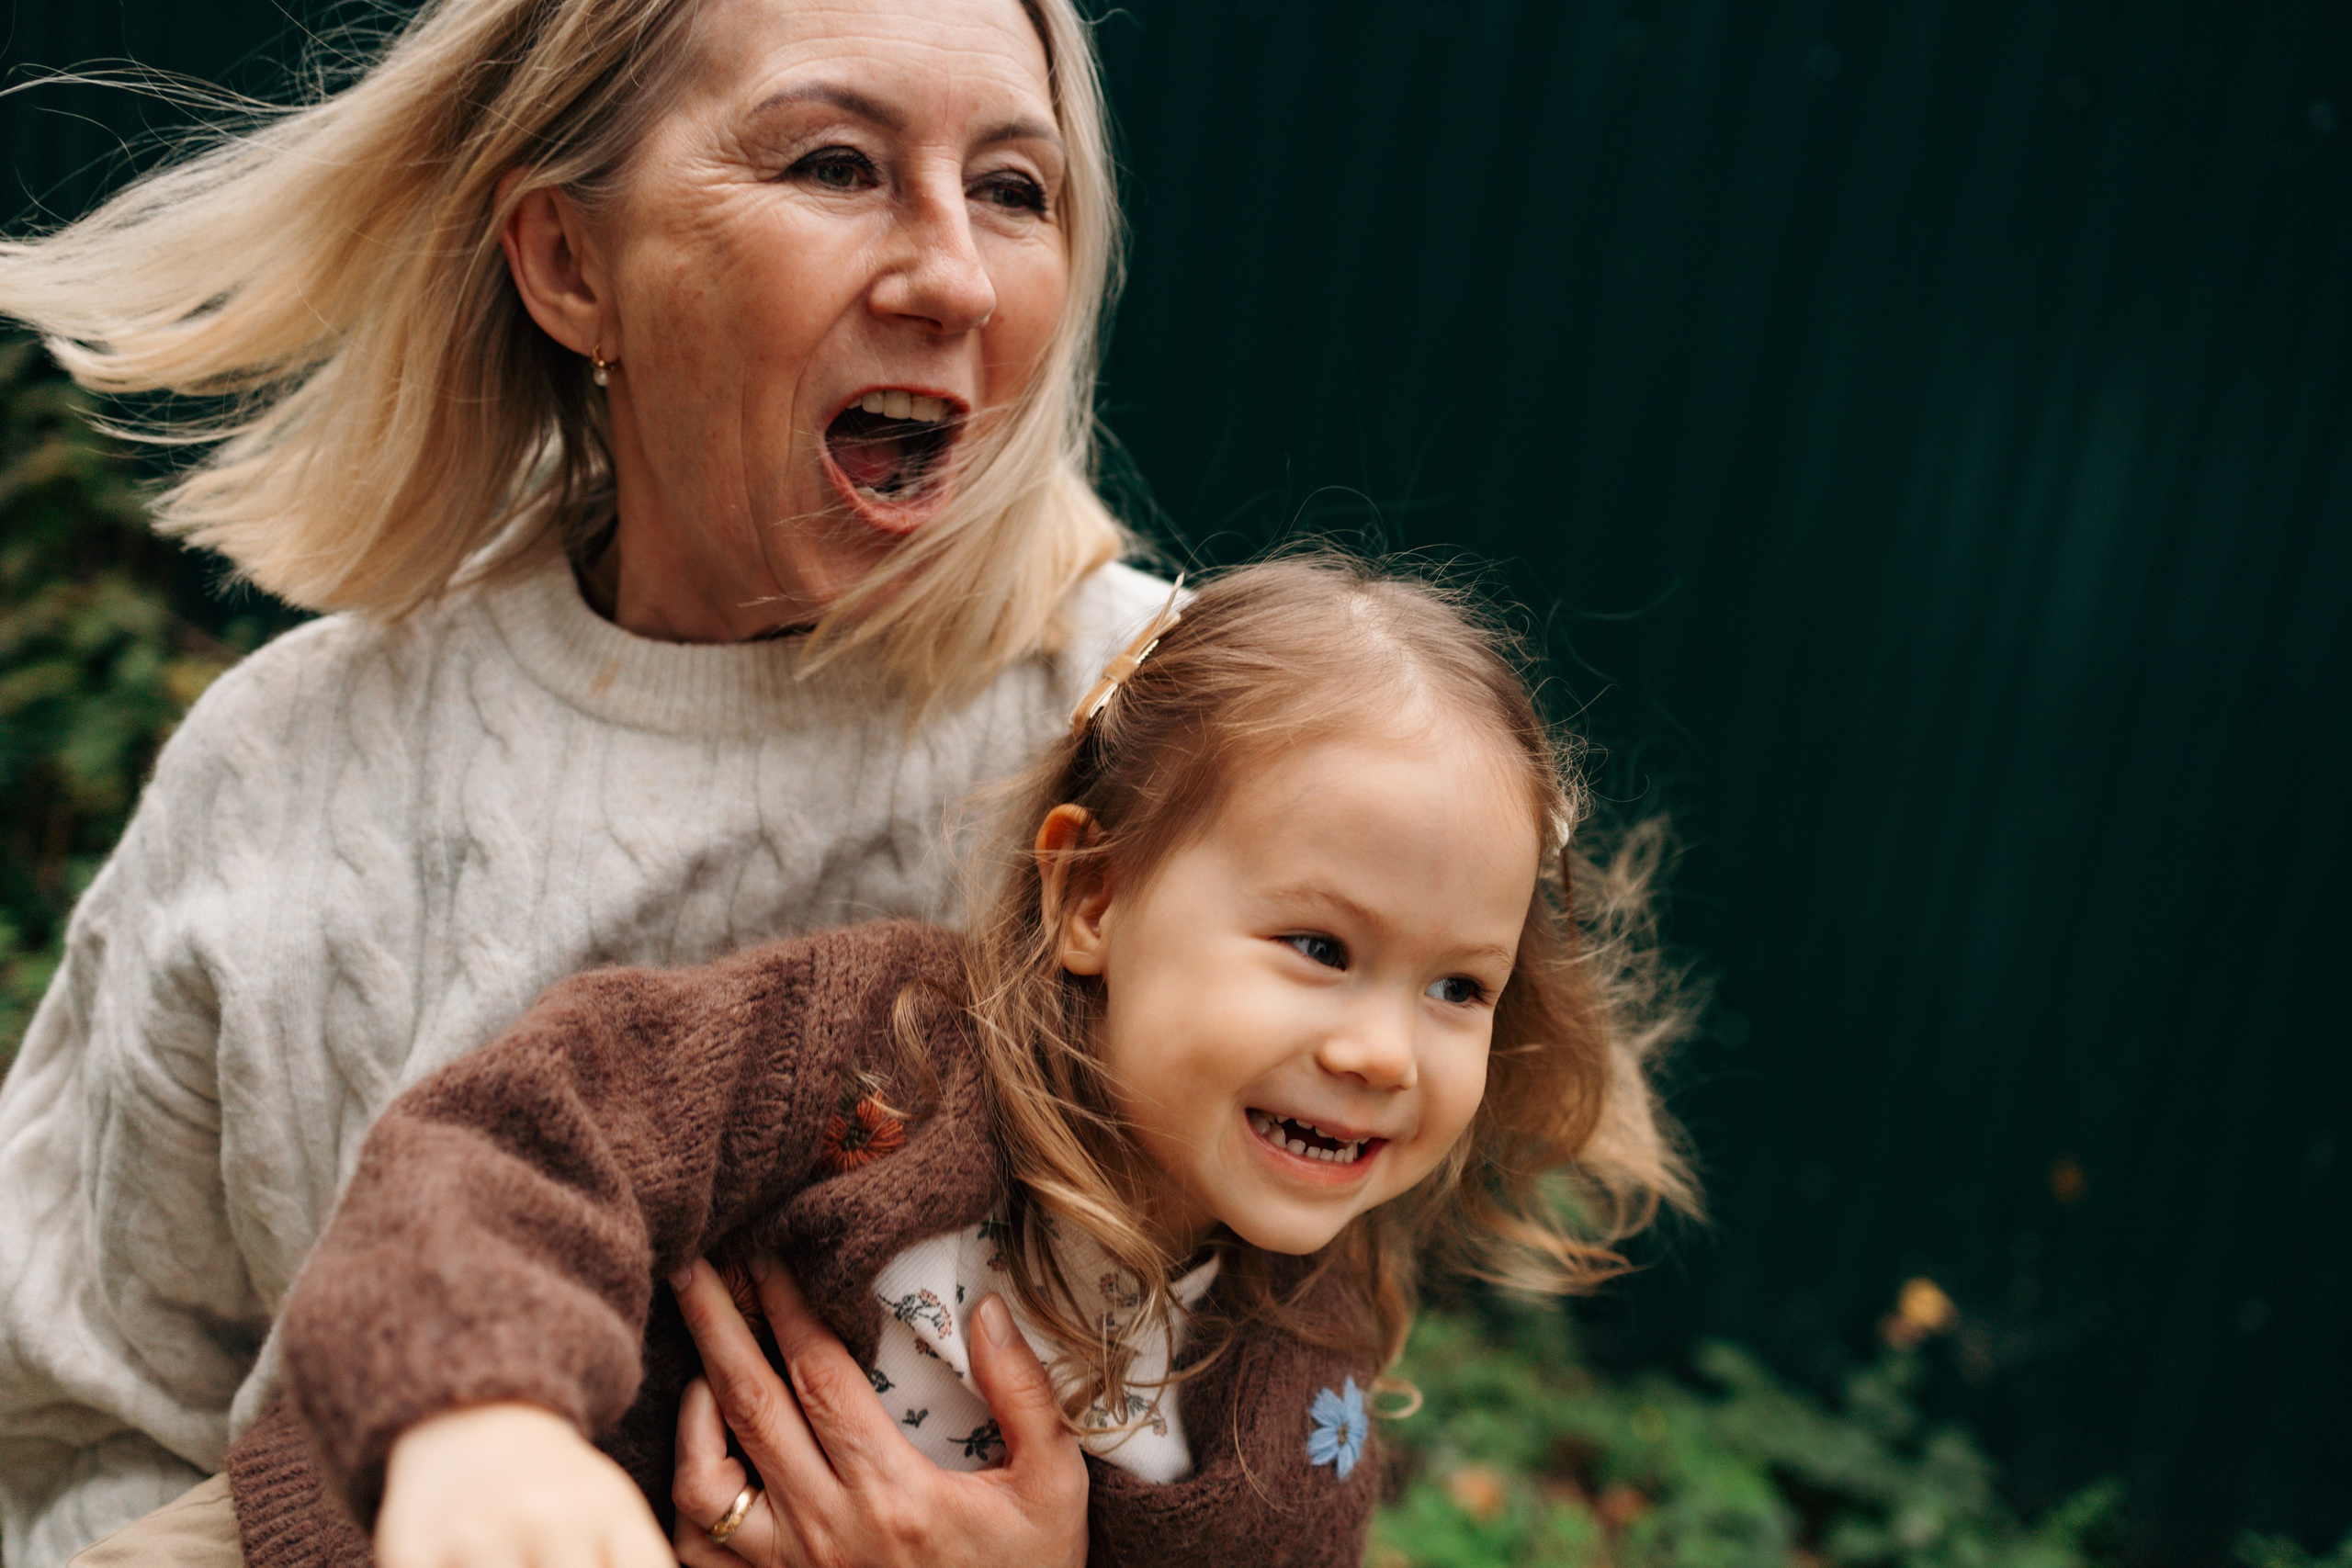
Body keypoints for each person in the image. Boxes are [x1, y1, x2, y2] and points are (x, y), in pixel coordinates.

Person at [0, 0, 1166, 1564]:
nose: (955, 273)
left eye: (1016, 188)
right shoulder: (289, 778)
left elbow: (1286, 1389)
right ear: (569, 264)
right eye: (835, 164)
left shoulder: (1163, 739)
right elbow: (80, 1430)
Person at [227, 555, 1699, 1568]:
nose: (1384, 1053)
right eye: (1319, 947)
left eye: (1459, 987)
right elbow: (527, 1140)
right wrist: (479, 1417)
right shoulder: (886, 1052)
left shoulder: (1291, 1412)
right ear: (1093, 898)